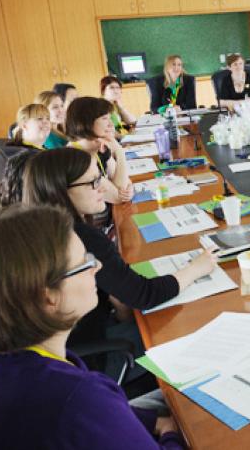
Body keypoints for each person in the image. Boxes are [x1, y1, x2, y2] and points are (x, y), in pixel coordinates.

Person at [0, 205, 185, 449]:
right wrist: (170, 435)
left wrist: (153, 420)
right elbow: (86, 409)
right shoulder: (79, 398)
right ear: (48, 297)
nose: (98, 267)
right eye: (85, 263)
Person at [21, 149, 217, 352]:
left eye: (101, 178)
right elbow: (144, 295)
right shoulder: (78, 238)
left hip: (81, 337)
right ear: (60, 191)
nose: (103, 188)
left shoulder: (42, 230)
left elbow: (121, 295)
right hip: (95, 349)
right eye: (93, 182)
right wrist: (196, 268)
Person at [65, 97, 133, 205]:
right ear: (86, 122)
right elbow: (118, 198)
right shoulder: (76, 159)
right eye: (105, 118)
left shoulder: (97, 147)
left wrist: (130, 188)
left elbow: (125, 184)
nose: (111, 124)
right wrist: (120, 152)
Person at [0, 104, 51, 193]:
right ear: (24, 125)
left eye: (48, 118)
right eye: (39, 119)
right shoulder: (18, 154)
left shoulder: (43, 150)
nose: (46, 122)